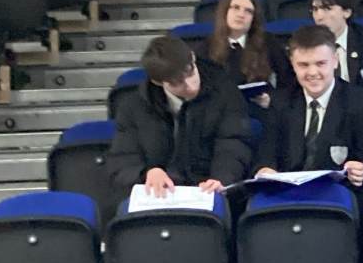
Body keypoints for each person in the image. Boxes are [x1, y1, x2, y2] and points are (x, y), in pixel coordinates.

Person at [107, 34, 254, 201]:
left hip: (210, 191)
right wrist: (146, 173)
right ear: (158, 82)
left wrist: (222, 179)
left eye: (190, 73)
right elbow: (122, 159)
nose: (190, 86)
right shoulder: (134, 107)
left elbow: (233, 143)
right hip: (158, 197)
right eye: (177, 83)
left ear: (193, 57)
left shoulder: (225, 91)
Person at [255, 23, 363, 195]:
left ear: (335, 60)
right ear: (292, 64)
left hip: (338, 193)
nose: (312, 72)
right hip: (287, 193)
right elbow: (266, 153)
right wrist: (265, 169)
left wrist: (360, 168)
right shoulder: (280, 102)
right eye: (303, 65)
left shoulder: (360, 101)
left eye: (320, 63)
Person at [205, 0, 292, 109]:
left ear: (253, 19)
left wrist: (272, 99)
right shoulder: (207, 47)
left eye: (248, 11)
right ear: (225, 12)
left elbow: (289, 81)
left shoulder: (267, 42)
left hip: (260, 110)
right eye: (236, 8)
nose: (241, 14)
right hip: (222, 113)